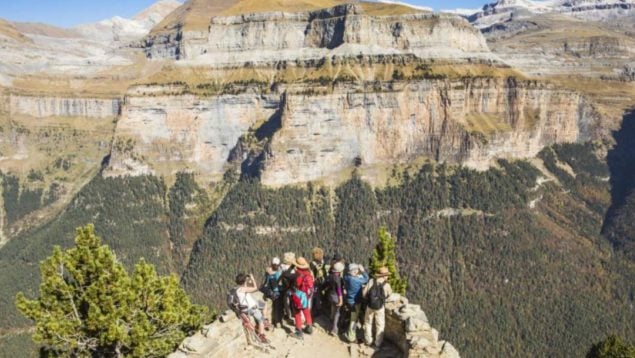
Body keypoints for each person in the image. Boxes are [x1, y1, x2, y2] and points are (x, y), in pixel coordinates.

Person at [362, 267, 393, 347]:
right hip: (380, 307)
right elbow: (389, 295)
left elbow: (364, 293)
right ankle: (378, 343)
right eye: (387, 275)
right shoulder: (386, 285)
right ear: (384, 275)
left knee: (368, 323)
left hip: (370, 306)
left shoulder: (371, 281)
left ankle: (368, 341)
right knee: (380, 325)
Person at [235, 273, 269, 343]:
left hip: (246, 308)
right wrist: (252, 279)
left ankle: (265, 320)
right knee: (260, 319)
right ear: (244, 281)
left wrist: (246, 280)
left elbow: (245, 287)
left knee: (264, 304)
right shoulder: (243, 289)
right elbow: (255, 288)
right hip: (251, 308)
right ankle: (261, 335)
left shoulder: (237, 290)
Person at [343, 263, 369, 343]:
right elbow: (366, 279)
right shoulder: (355, 280)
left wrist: (356, 275)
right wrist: (363, 271)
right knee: (353, 320)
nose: (358, 270)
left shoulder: (346, 277)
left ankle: (346, 330)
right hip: (355, 302)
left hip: (349, 300)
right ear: (354, 271)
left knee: (351, 316)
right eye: (357, 269)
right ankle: (351, 337)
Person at [290, 257, 314, 339]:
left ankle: (299, 332)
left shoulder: (298, 274)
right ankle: (309, 327)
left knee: (297, 313)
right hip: (306, 294)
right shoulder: (308, 273)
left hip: (298, 294)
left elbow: (296, 284)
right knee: (306, 310)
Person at [263, 257, 283, 328]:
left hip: (269, 291)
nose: (276, 266)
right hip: (275, 291)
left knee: (270, 306)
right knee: (277, 306)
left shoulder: (269, 270)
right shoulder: (278, 272)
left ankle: (272, 321)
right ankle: (277, 321)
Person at [326, 261, 345, 336]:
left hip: (330, 295)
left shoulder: (330, 275)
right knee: (337, 313)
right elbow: (339, 290)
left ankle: (331, 319)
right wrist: (341, 299)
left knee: (333, 308)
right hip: (336, 296)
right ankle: (334, 329)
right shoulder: (337, 278)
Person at [309, 247, 329, 317]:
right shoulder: (324, 262)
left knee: (317, 295)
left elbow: (311, 273)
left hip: (316, 282)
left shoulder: (312, 264)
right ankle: (323, 307)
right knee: (322, 294)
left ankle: (318, 308)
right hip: (324, 281)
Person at [279, 252, 297, 324]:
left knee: (287, 302)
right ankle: (295, 316)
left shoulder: (282, 267)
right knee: (294, 302)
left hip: (286, 287)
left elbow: (280, 277)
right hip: (294, 287)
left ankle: (289, 315)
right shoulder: (294, 267)